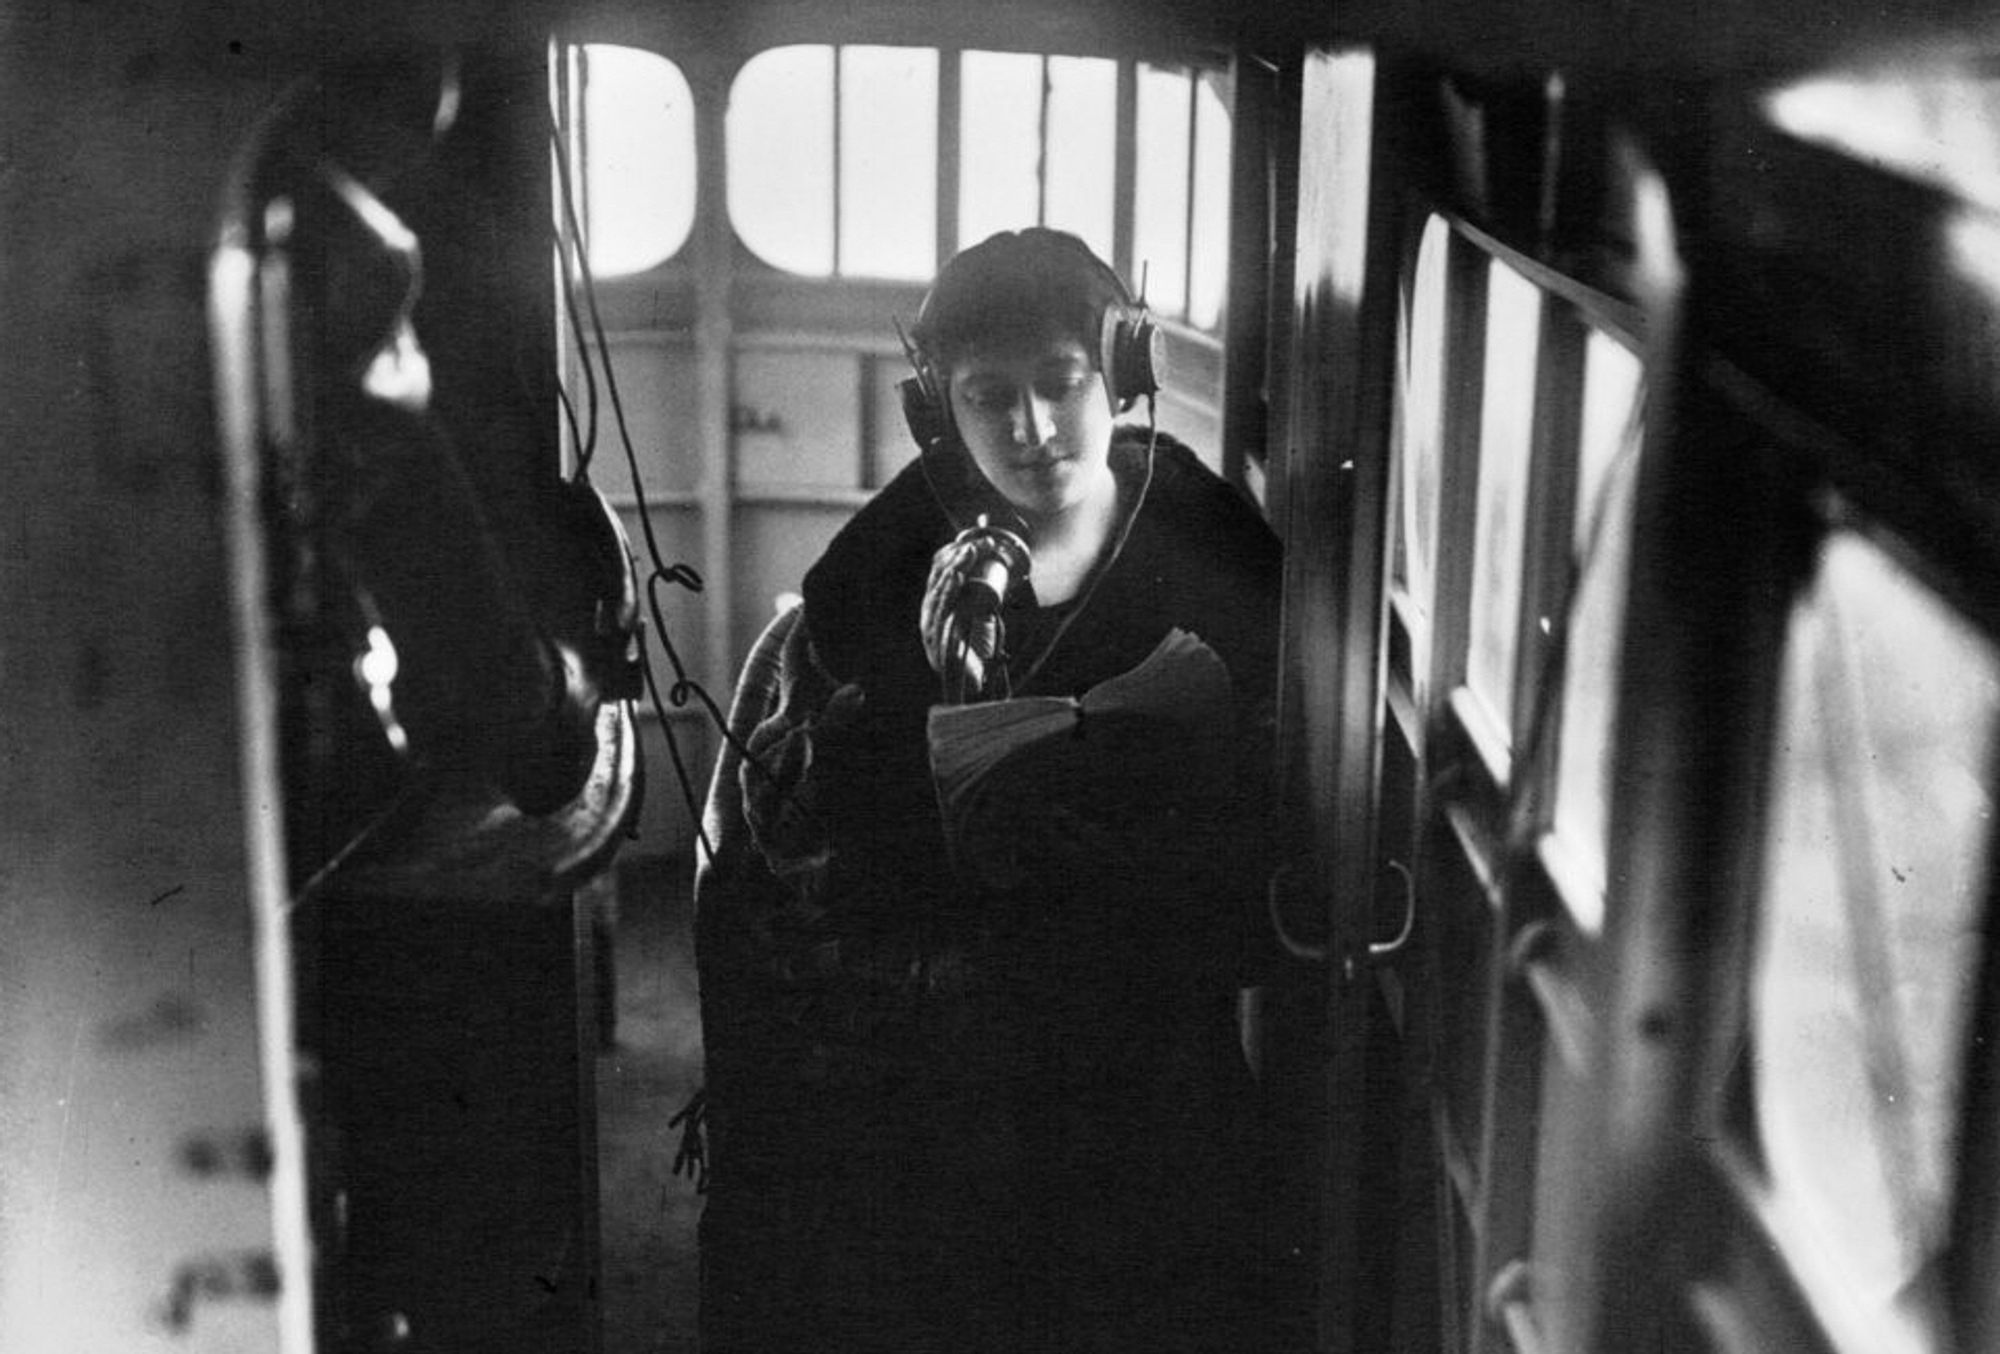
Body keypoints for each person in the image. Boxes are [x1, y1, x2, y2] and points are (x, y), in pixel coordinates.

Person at [693, 228, 1286, 1352]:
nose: (1030, 428)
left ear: (1121, 369)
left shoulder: (1213, 545)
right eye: (986, 396)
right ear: (936, 411)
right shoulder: (871, 573)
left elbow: (1277, 794)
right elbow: (811, 842)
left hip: (1151, 1013)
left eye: (1060, 385)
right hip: (943, 1039)